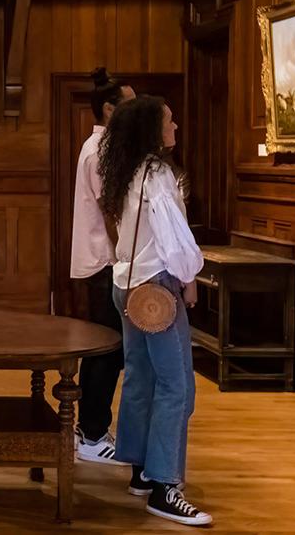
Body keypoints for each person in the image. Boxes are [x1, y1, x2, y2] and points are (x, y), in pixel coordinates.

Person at [100, 95, 211, 526]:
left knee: (140, 376)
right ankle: (165, 487)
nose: (176, 125)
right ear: (152, 129)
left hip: (125, 284)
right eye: (169, 120)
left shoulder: (124, 171)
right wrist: (189, 278)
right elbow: (174, 239)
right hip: (156, 288)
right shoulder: (160, 175)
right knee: (176, 384)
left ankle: (140, 470)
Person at [72, 68, 135, 467]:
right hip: (104, 262)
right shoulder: (99, 152)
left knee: (109, 350)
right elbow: (111, 212)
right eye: (129, 104)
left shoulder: (107, 147)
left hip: (107, 262)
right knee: (106, 350)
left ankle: (90, 429)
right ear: (110, 109)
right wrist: (127, 258)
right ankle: (91, 434)